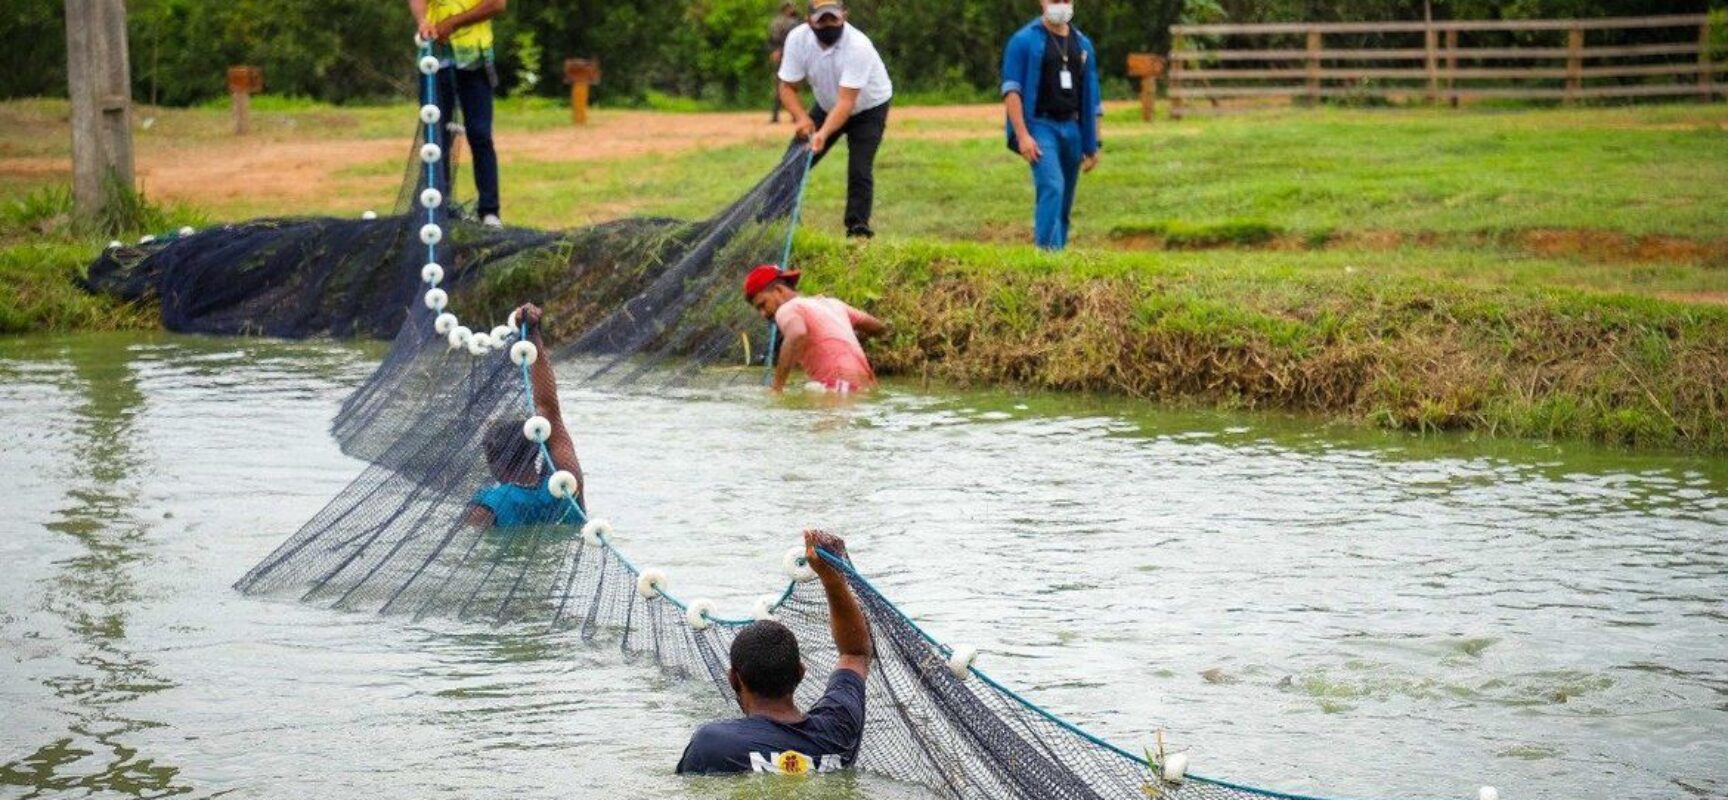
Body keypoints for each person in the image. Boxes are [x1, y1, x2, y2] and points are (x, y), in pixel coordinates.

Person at [676, 530, 870, 775]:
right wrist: (831, 578)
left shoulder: (713, 744)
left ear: (734, 679)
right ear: (801, 673)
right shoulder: (838, 729)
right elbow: (855, 654)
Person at [776, 0, 894, 240]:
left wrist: (822, 133)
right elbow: (787, 87)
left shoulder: (858, 45)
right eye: (822, 20)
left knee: (859, 168)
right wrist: (801, 119)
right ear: (809, 21)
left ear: (844, 16)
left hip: (869, 108)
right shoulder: (798, 40)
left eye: (833, 18)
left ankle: (857, 228)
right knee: (794, 161)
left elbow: (847, 102)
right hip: (827, 104)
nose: (828, 24)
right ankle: (777, 216)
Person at [465, 303, 584, 527]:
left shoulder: (488, 505)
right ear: (536, 447)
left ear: (494, 465)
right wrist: (533, 334)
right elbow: (549, 409)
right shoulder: (567, 482)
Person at [1000, 0, 1102, 251]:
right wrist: (1023, 135)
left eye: (1065, 0)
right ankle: (1046, 257)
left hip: (1073, 127)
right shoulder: (1023, 41)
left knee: (1065, 200)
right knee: (1052, 187)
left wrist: (1093, 142)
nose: (1061, 5)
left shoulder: (1083, 44)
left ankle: (1060, 258)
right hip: (1041, 126)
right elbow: (1012, 91)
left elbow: (1092, 96)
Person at [410, 0, 507, 228]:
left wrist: (453, 23)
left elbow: (496, 4)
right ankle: (437, 210)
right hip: (435, 56)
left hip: (474, 57)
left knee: (480, 134)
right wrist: (423, 21)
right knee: (435, 138)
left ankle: (489, 212)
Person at [743, 264, 885, 393]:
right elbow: (878, 328)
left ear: (779, 290)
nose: (763, 314)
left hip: (836, 385)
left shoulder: (787, 308)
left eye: (763, 304)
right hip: (867, 388)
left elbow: (796, 334)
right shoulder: (832, 304)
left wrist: (777, 388)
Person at [767, 2, 802, 123]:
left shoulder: (779, 22)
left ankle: (784, 115)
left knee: (785, 85)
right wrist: (776, 51)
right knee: (786, 85)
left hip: (787, 55)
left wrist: (774, 51)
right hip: (786, 55)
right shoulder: (788, 23)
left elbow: (771, 40)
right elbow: (776, 39)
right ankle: (786, 115)